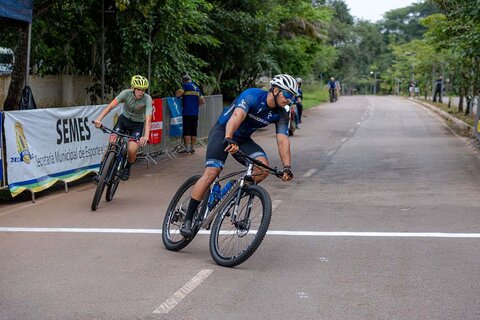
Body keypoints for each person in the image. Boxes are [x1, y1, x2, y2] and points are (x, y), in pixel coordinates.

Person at [179, 74, 297, 237]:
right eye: (288, 95)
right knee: (212, 173)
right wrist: (228, 138)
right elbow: (236, 117)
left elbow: (283, 141)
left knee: (262, 168)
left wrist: (287, 167)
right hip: (223, 132)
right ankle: (188, 218)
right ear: (276, 90)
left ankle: (230, 191)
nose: (289, 99)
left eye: (292, 97)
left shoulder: (281, 114)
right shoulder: (252, 96)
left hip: (243, 139)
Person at [94, 75, 152, 181]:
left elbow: (148, 119)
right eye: (139, 89)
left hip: (137, 125)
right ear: (133, 88)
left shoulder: (147, 99)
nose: (141, 92)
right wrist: (99, 118)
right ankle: (101, 172)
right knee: (112, 144)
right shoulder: (125, 93)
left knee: (132, 149)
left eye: (143, 90)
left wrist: (146, 136)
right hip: (123, 121)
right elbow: (111, 105)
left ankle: (127, 167)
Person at [176, 74, 205, 153]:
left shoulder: (186, 86)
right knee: (193, 130)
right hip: (195, 113)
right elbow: (202, 101)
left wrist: (178, 95)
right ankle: (193, 147)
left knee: (187, 131)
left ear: (183, 81)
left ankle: (187, 148)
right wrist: (195, 105)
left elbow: (178, 94)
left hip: (186, 112)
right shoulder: (197, 88)